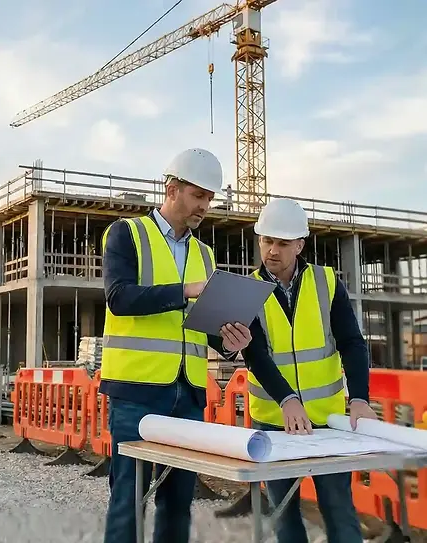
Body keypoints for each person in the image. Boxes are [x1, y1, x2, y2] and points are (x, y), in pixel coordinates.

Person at [101, 148, 253, 543]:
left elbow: (206, 328)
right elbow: (119, 297)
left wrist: (231, 342)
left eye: (209, 198)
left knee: (177, 502)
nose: (204, 206)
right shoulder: (126, 233)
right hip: (135, 392)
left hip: (188, 394)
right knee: (128, 499)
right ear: (172, 189)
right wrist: (187, 290)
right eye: (198, 195)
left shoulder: (205, 254)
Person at [241, 197, 377, 543]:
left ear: (299, 245)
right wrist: (286, 399)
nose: (272, 250)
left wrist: (359, 398)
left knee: (339, 513)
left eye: (282, 243)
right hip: (273, 421)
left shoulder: (326, 283)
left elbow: (352, 342)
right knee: (285, 518)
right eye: (266, 241)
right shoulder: (246, 291)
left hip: (327, 421)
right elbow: (255, 355)